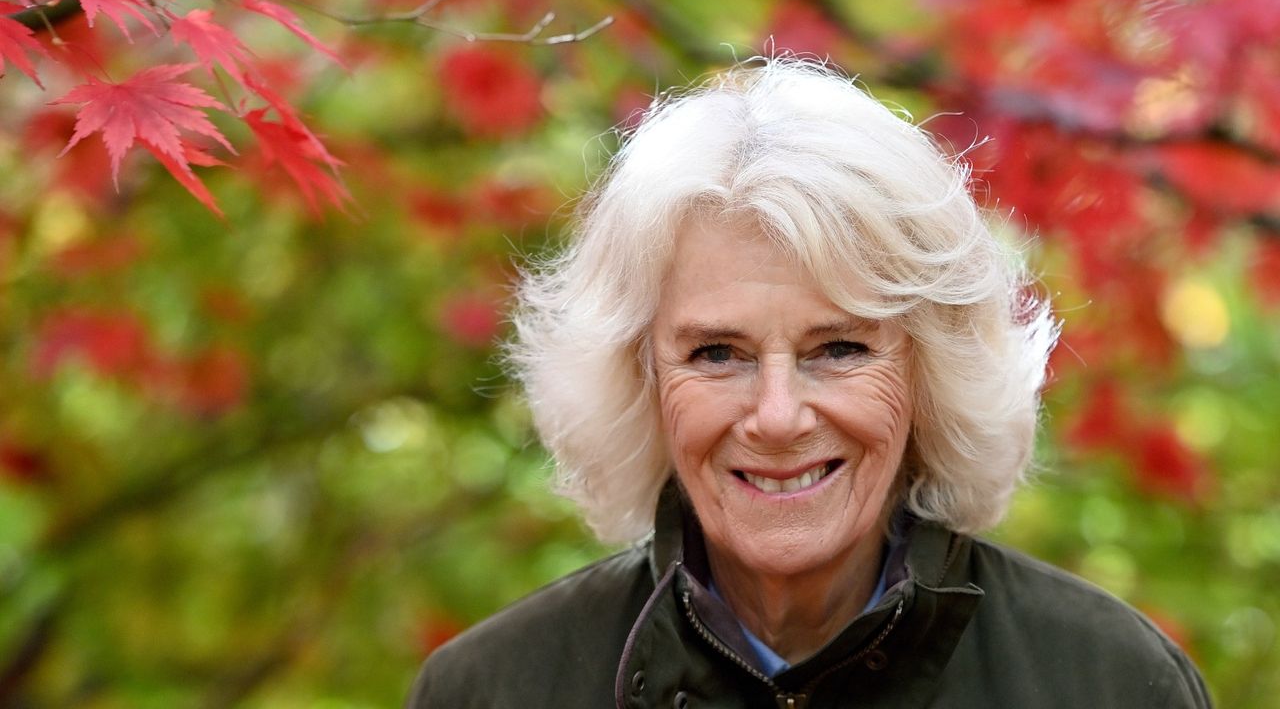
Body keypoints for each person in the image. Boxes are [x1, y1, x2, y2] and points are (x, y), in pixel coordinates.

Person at [406, 58, 1211, 708]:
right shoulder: (490, 690)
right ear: (639, 378)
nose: (779, 416)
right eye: (718, 353)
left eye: (840, 349)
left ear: (930, 371)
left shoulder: (1111, 682)